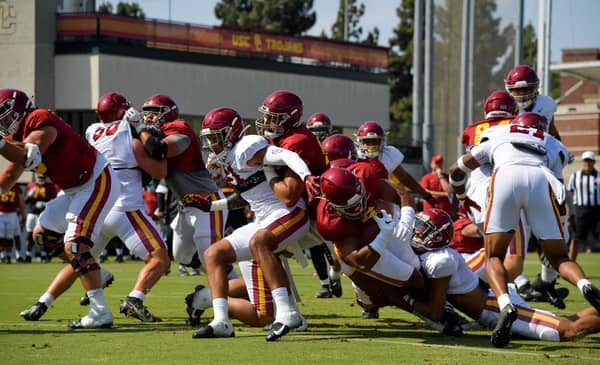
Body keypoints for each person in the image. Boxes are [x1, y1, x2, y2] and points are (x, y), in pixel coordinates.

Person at [449, 112, 600, 347]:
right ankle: (584, 284)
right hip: (542, 178)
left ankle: (504, 303)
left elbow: (456, 170)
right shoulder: (552, 142)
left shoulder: (497, 133)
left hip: (505, 178)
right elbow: (558, 183)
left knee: (494, 257)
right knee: (559, 256)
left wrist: (461, 196)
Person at [186, 106, 312, 340]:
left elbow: (286, 155)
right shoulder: (228, 159)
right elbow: (246, 195)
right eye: (209, 139)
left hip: (289, 212)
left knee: (259, 242)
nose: (212, 144)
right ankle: (221, 321)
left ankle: (287, 313)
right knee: (214, 254)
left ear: (231, 133)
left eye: (216, 138)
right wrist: (211, 206)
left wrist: (306, 176)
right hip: (263, 219)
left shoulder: (247, 146)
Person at [0, 88, 120, 329]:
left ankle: (100, 311)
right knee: (43, 236)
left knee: (75, 245)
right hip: (74, 188)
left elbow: (30, 157)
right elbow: (12, 173)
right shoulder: (21, 133)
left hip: (96, 179)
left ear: (18, 110)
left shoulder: (40, 118)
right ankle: (96, 271)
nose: (1, 121)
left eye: (4, 114)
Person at [403, 208, 600, 343]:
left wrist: (403, 300)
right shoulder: (436, 256)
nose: (415, 233)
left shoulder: (440, 260)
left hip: (495, 308)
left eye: (421, 230)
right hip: (493, 296)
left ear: (435, 236)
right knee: (563, 321)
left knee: (564, 330)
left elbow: (435, 312)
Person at [139, 94, 232, 291]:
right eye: (146, 114)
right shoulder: (155, 134)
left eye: (155, 113)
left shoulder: (179, 128)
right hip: (186, 205)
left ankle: (236, 293)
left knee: (210, 257)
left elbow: (158, 150)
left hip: (207, 202)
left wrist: (139, 131)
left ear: (168, 113)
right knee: (182, 255)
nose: (149, 118)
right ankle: (228, 278)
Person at [256, 91, 340, 300]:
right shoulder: (284, 137)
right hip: (305, 210)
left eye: (272, 117)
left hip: (314, 215)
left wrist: (265, 170)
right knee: (261, 249)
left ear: (289, 117)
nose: (266, 121)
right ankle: (283, 302)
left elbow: (289, 196)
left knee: (261, 247)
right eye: (266, 115)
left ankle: (282, 305)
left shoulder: (296, 141)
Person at [354, 120, 436, 207]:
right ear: (360, 141)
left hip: (383, 202)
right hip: (358, 201)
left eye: (375, 141)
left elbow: (404, 177)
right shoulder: (354, 155)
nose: (371, 145)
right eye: (367, 141)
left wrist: (425, 194)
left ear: (382, 141)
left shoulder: (388, 154)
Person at [505, 64, 561, 139]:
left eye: (526, 89)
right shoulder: (506, 108)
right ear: (510, 90)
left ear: (535, 88)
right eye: (518, 90)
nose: (522, 94)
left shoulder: (545, 104)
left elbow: (552, 132)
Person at [567, 151, 600, 260]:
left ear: (594, 162)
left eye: (590, 160)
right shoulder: (575, 176)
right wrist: (569, 213)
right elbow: (570, 195)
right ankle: (571, 263)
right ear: (582, 161)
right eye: (586, 160)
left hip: (597, 211)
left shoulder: (599, 176)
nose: (588, 163)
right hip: (580, 211)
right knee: (575, 239)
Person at [24, 174, 59, 262]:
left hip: (43, 214)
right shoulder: (30, 186)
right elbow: (25, 200)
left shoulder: (50, 187)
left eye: (42, 178)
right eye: (39, 178)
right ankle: (28, 254)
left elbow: (54, 200)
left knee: (42, 234)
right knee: (29, 234)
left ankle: (43, 254)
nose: (41, 180)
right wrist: (29, 194)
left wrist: (45, 203)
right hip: (32, 212)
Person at [0, 184, 25, 263]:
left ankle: (8, 256)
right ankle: (2, 255)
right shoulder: (1, 187)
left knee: (9, 237)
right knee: (1, 237)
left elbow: (21, 204)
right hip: (1, 213)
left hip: (12, 213)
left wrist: (24, 216)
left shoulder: (17, 188)